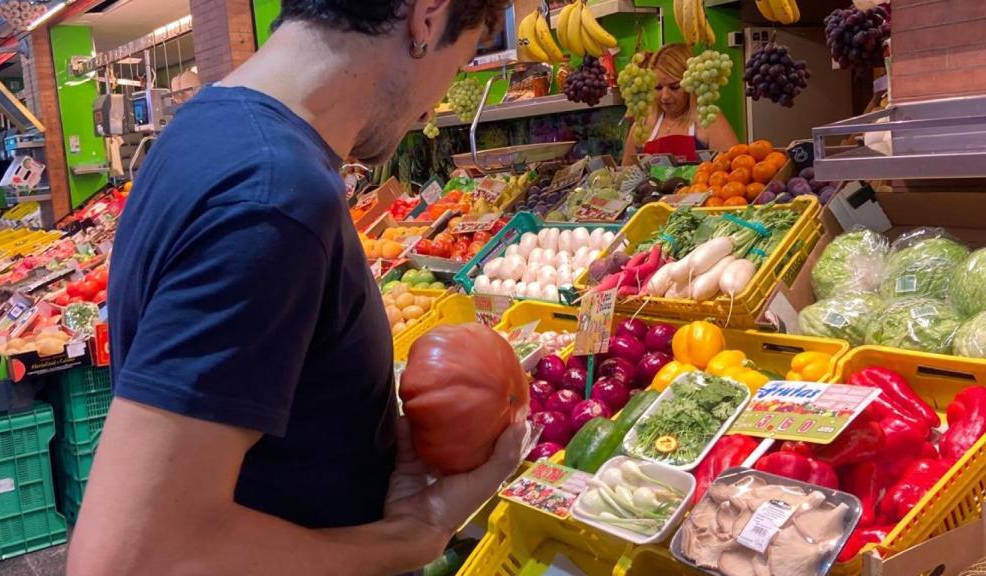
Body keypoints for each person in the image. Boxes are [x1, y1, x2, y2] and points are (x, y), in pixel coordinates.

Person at [67, 1, 525, 575]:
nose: (436, 98)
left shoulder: (206, 128)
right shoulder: (274, 198)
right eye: (461, 60)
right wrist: (410, 538)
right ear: (428, 17)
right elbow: (130, 559)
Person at [621, 43, 739, 166]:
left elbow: (734, 172)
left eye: (675, 87)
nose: (665, 96)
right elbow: (626, 177)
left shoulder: (709, 120)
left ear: (690, 84)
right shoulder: (642, 125)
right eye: (658, 88)